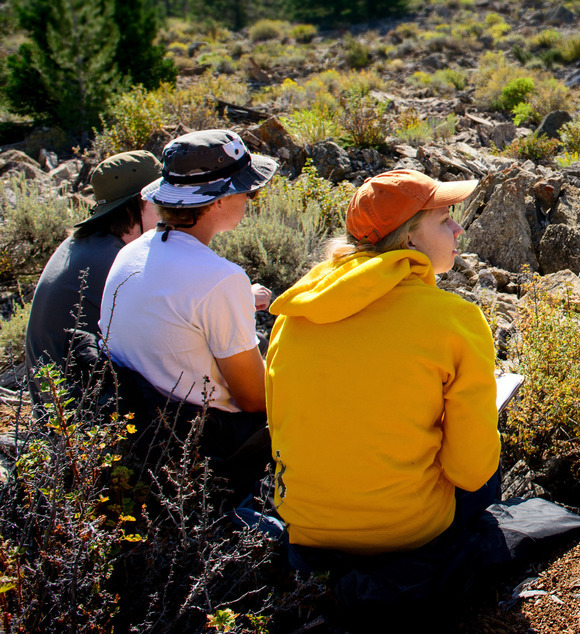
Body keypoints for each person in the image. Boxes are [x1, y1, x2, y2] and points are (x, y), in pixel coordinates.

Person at [265, 169, 499, 561]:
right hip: (408, 532)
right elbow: (470, 473)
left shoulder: (294, 313)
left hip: (307, 531)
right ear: (408, 237)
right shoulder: (454, 320)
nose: (458, 229)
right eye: (444, 220)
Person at [98, 129, 276, 488]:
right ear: (217, 201)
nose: (250, 199)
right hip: (212, 446)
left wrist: (237, 299)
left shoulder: (131, 252)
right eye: (247, 190)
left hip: (143, 430)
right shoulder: (219, 279)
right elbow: (256, 399)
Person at [24, 151, 162, 395]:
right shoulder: (117, 262)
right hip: (90, 420)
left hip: (60, 412)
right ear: (138, 203)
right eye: (159, 197)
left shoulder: (84, 244)